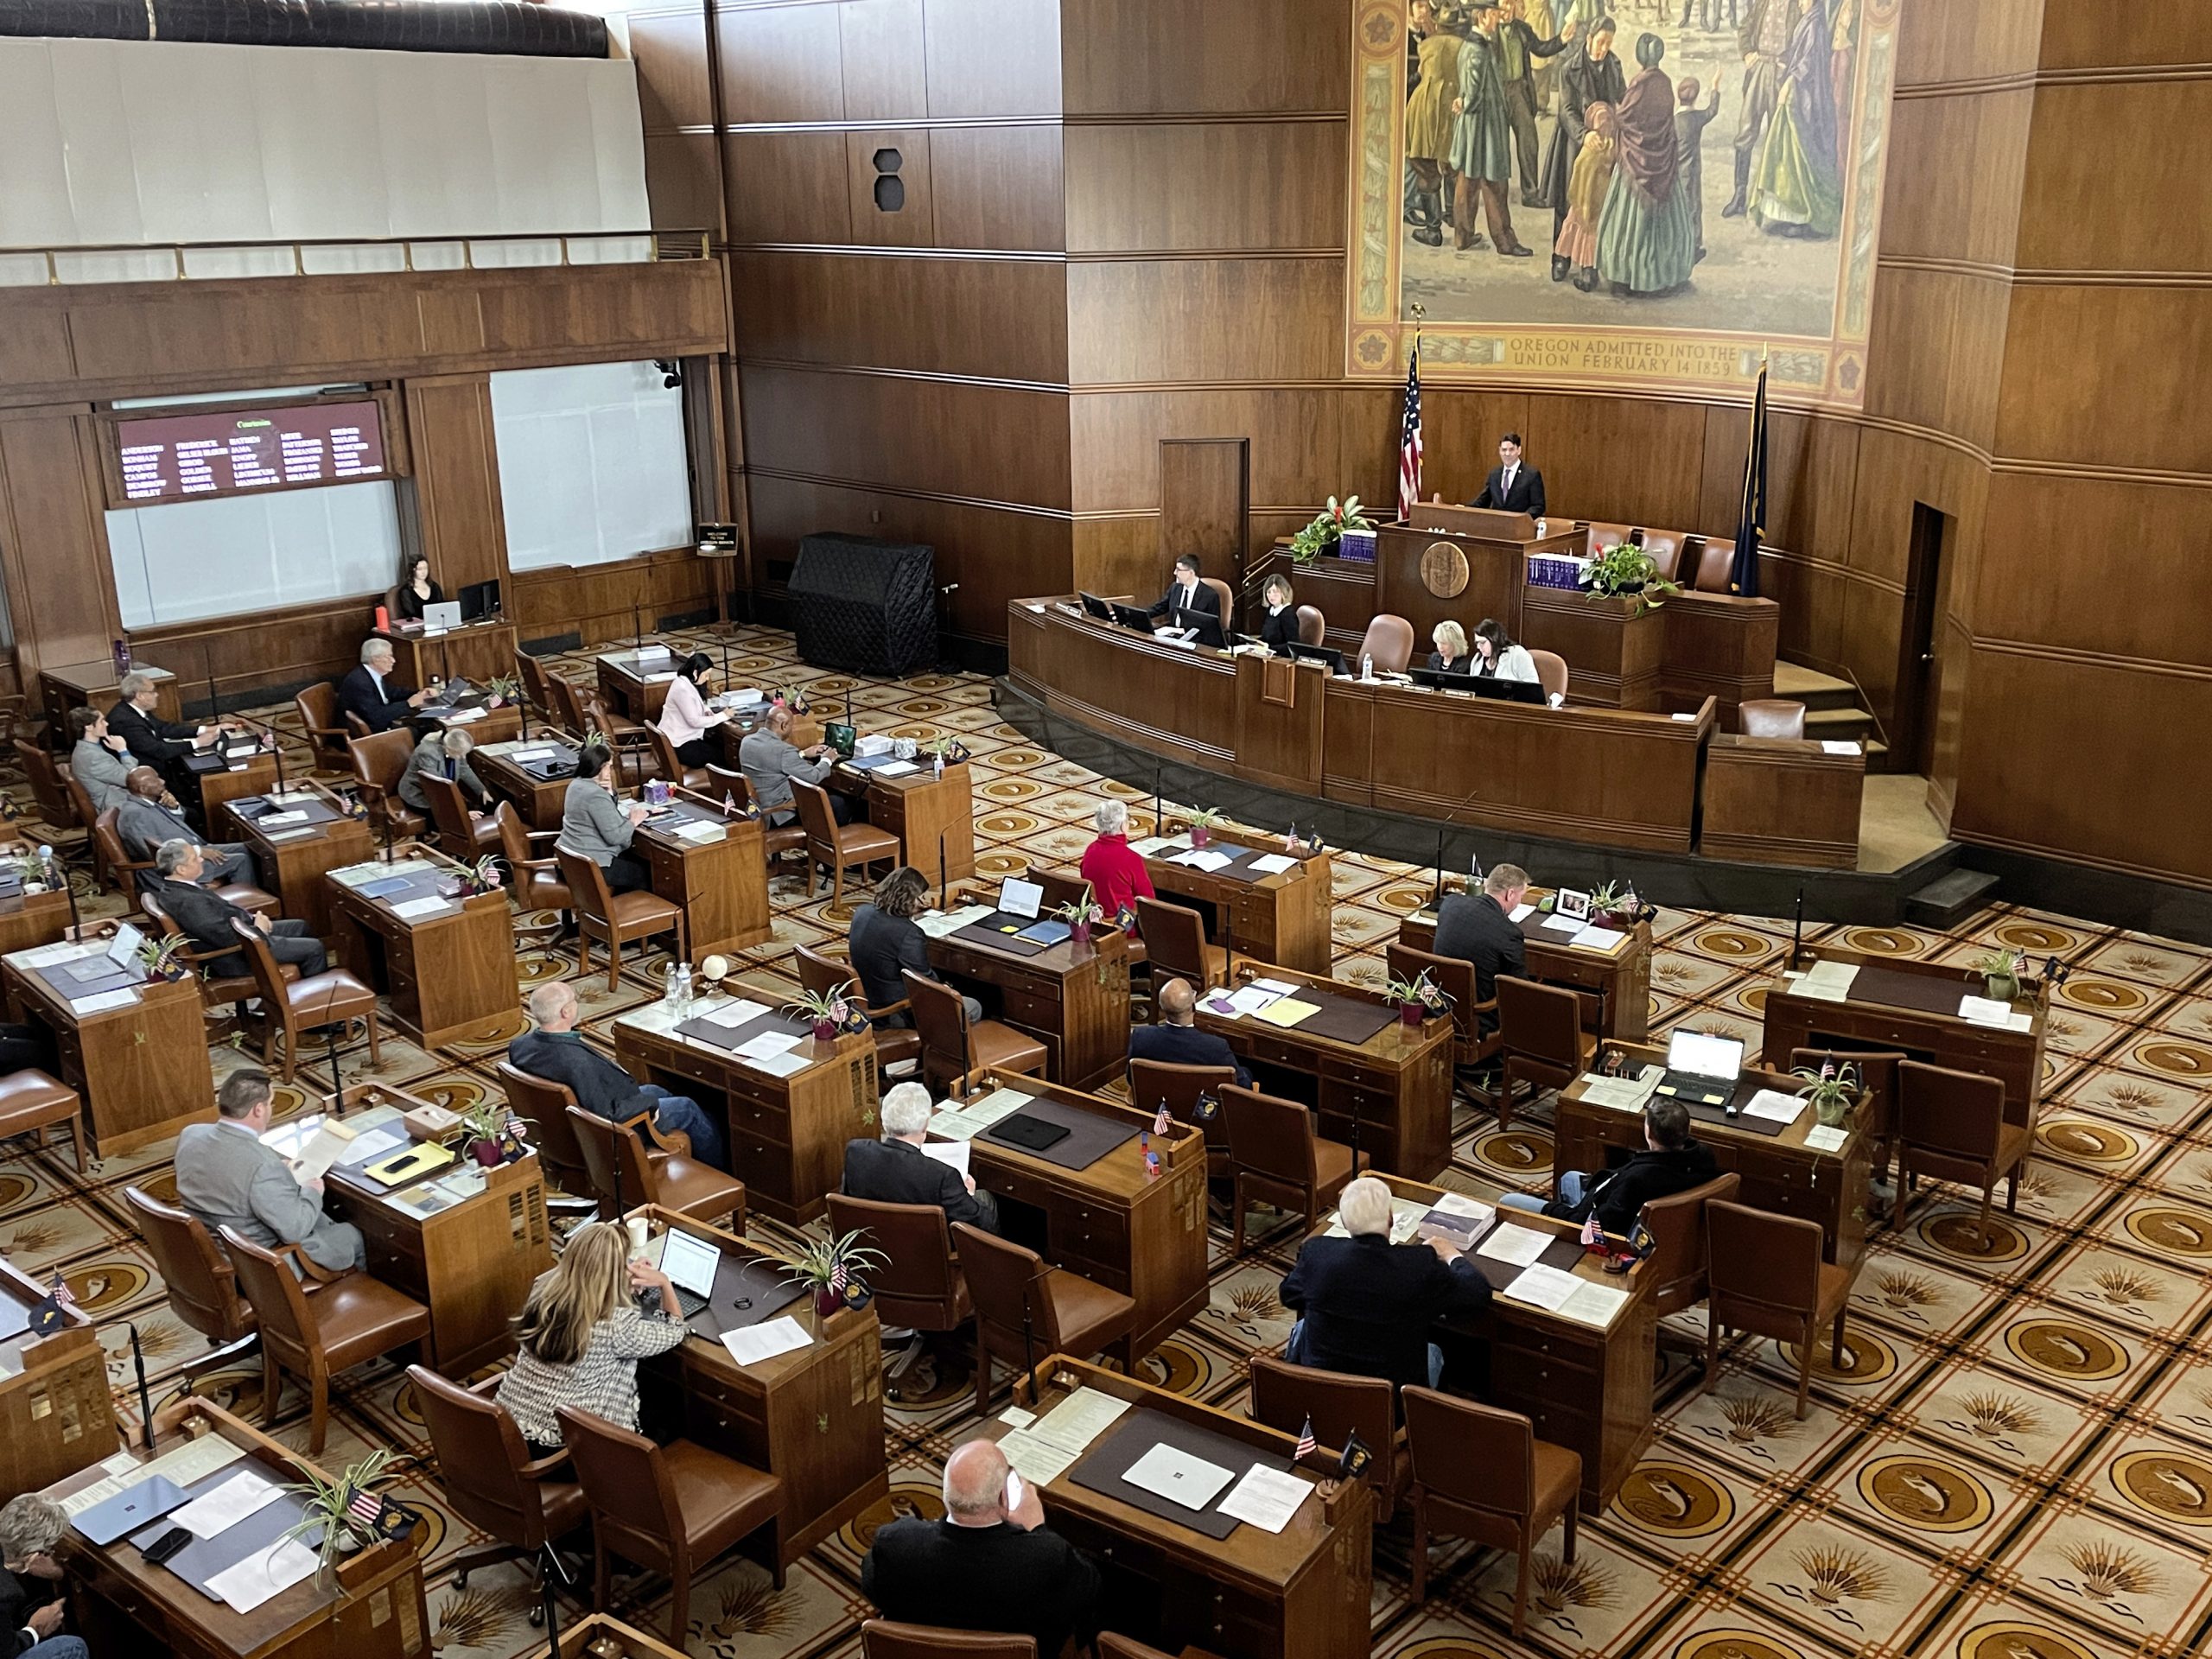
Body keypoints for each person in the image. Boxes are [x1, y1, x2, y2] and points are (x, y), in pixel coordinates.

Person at [861, 1439, 1103, 1656]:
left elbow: (873, 1584)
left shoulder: (895, 1545)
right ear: (1004, 1499)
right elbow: (1089, 1587)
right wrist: (1037, 1528)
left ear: (946, 1497)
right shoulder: (1045, 1558)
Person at [1279, 1175, 1491, 1392]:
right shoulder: (1418, 1265)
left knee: (1304, 1327)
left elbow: (1289, 1294)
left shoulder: (1317, 1253)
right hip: (1392, 1404)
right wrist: (1450, 1254)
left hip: (1321, 1391)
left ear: (1344, 1221)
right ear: (1390, 1218)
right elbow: (1476, 1294)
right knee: (1433, 1352)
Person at [494, 1220, 687, 1458]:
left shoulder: (542, 1293)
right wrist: (664, 1282)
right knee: (672, 1401)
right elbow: (675, 1329)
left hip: (508, 1428)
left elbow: (587, 1291)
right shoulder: (616, 1326)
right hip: (560, 1451)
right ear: (613, 1274)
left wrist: (618, 1285)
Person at [511, 981, 728, 1170]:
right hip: (617, 1129)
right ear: (566, 1012)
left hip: (564, 1121)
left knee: (657, 1089)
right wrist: (649, 1105)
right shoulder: (577, 1064)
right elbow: (606, 1115)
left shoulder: (519, 1046)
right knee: (687, 1108)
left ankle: (710, 1133)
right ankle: (721, 1169)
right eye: (574, 1000)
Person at [175, 1070, 366, 1273]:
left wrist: (277, 1175)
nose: (270, 1110)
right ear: (258, 1109)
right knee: (355, 1235)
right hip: (259, 1265)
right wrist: (312, 1191)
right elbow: (295, 1230)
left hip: (209, 1251)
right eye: (270, 1103)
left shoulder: (191, 1134)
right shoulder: (263, 1166)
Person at [1501, 1097, 1721, 1231]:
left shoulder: (1638, 1180)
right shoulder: (1703, 1156)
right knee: (1570, 1177)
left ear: (1649, 1133)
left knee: (1507, 1201)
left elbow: (1595, 1225)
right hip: (1625, 1205)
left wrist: (1557, 1212)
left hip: (1592, 1224)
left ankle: (1560, 1240)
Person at [1596, 34, 1696, 297]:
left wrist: (1611, 114)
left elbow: (1626, 117)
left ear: (1641, 56)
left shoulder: (1639, 83)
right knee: (1665, 223)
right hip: (1662, 161)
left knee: (1628, 222)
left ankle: (1628, 275)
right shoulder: (1665, 82)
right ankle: (1663, 275)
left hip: (1635, 161)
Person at [155, 839, 327, 978]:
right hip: (237, 955)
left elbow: (221, 917)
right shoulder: (189, 902)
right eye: (195, 858)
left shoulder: (174, 888)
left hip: (244, 932)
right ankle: (321, 1020)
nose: (201, 859)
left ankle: (302, 985)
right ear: (181, 869)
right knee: (314, 948)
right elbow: (225, 938)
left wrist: (251, 919)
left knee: (300, 926)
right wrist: (258, 929)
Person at [842, 1081, 999, 1233]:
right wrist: (969, 1194)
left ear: (884, 1121)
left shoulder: (856, 1152)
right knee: (985, 1199)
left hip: (870, 1243)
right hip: (926, 1251)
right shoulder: (943, 1177)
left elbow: (847, 1201)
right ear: (925, 1124)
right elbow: (981, 1223)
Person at [1540, 17, 1626, 280]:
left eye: (1608, 43)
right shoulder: (1569, 68)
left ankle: (1590, 262)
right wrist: (1584, 134)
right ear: (1589, 39)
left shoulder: (1613, 64)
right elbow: (1565, 111)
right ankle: (1561, 257)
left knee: (1597, 203)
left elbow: (1622, 97)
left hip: (1604, 145)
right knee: (1567, 201)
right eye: (1600, 42)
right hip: (1573, 142)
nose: (1603, 48)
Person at [1749, 0, 1842, 237]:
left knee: (1799, 154)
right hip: (1798, 92)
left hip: (1805, 97)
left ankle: (1807, 217)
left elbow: (1808, 63)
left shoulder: (1815, 25)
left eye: (1803, 0)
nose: (1799, 3)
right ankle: (1790, 211)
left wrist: (1789, 84)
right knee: (1788, 155)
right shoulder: (1809, 20)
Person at [1446, 3, 1531, 257]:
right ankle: (1505, 241)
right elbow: (1472, 94)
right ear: (1482, 17)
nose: (1498, 18)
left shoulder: (1476, 45)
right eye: (1494, 15)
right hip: (1484, 127)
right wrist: (1466, 102)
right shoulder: (1478, 50)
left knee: (1469, 181)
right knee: (1494, 184)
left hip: (1476, 127)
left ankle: (1463, 236)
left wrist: (1464, 101)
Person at [848, 866, 981, 1025]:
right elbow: (925, 982)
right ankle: (952, 1047)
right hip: (897, 1012)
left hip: (868, 995)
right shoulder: (909, 933)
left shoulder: (862, 911)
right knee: (974, 1006)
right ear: (908, 899)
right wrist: (947, 989)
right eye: (920, 898)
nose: (922, 904)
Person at [1432, 862, 1530, 1031]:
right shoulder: (1509, 933)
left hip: (1438, 1006)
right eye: (1521, 896)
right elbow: (1518, 988)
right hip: (1479, 1019)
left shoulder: (1450, 904)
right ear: (1510, 894)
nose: (1519, 902)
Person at [1497, 0, 1578, 205]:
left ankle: (1530, 193)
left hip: (1518, 91)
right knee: (1496, 144)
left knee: (1528, 141)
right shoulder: (1488, 33)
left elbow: (1541, 48)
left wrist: (1562, 39)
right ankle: (1496, 193)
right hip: (1495, 94)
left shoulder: (1522, 29)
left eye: (1510, 4)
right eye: (1503, 5)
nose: (1507, 10)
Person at [117, 767, 249, 892]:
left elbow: (174, 826)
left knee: (247, 848)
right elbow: (154, 852)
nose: (162, 781)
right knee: (241, 860)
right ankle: (246, 905)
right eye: (156, 780)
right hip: (180, 865)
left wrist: (173, 808)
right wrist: (198, 852)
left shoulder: (147, 803)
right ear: (143, 788)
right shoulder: (134, 815)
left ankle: (261, 895)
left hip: (192, 850)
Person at [1724, 0, 1797, 218]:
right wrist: (1747, 53)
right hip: (1758, 71)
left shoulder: (1797, 5)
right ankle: (1739, 195)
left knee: (1778, 135)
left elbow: (1802, 41)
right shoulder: (1762, 2)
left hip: (1781, 75)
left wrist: (1788, 66)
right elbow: (1745, 28)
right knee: (1745, 133)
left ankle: (1773, 200)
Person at [1402, 0, 1465, 246]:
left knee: (1425, 167)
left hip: (1425, 109)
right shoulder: (1463, 46)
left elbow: (1422, 74)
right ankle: (1452, 215)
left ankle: (1433, 230)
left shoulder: (1427, 45)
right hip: (1451, 111)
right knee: (1451, 164)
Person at [557, 743, 652, 895]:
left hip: (570, 861)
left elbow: (604, 814)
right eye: (609, 766)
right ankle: (622, 915)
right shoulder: (595, 794)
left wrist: (608, 792)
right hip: (591, 865)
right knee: (645, 874)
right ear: (602, 767)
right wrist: (633, 821)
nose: (610, 771)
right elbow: (616, 837)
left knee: (632, 860)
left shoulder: (575, 784)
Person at [1128, 977, 1250, 1088]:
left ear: (1161, 1006)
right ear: (1194, 1003)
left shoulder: (1140, 1036)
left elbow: (1131, 1078)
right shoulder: (1216, 1047)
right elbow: (1242, 1086)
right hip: (1202, 1109)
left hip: (1157, 1103)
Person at [738, 704, 850, 825]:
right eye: (792, 726)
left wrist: (802, 753)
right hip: (779, 815)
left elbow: (771, 761)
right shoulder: (784, 751)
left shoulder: (747, 741)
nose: (791, 730)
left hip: (757, 810)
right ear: (784, 725)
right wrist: (827, 760)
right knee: (838, 803)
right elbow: (814, 776)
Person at [0, 1493, 79, 1659]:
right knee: (72, 1647)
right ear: (33, 1556)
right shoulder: (5, 1595)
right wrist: (35, 1629)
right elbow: (5, 1652)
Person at [107, 671, 222, 781]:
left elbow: (163, 728)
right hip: (151, 776)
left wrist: (204, 729)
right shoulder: (126, 721)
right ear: (140, 696)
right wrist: (198, 743)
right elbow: (158, 751)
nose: (156, 694)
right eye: (152, 691)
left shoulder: (133, 709)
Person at [1554, 99, 1619, 290]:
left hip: (1584, 203)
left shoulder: (1591, 151)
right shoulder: (1614, 146)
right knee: (1593, 234)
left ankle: (1583, 271)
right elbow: (1566, 109)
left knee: (1581, 231)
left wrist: (1576, 197)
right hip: (1600, 204)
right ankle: (1570, 265)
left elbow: (1577, 177)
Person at [1078, 798, 1154, 924]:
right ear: (1123, 825)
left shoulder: (1090, 851)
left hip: (1096, 923)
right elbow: (1149, 901)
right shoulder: (1131, 858)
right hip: (1123, 926)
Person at [1674, 77, 1724, 263]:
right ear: (1695, 98)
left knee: (1679, 209)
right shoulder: (1696, 118)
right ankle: (1694, 247)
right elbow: (1712, 110)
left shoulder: (1674, 121)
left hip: (1677, 173)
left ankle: (1679, 245)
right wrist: (1715, 87)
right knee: (1694, 207)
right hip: (1693, 172)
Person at [338, 639, 431, 734]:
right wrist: (408, 704)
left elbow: (393, 693)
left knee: (424, 725)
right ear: (375, 658)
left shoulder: (370, 675)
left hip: (379, 725)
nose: (393, 661)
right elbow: (376, 717)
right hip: (373, 735)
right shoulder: (360, 683)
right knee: (423, 731)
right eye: (389, 656)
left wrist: (419, 693)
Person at [655, 652, 730, 768]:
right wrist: (723, 716)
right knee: (723, 757)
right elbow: (694, 721)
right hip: (679, 745)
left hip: (682, 739)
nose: (707, 679)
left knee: (720, 746)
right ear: (695, 672)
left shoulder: (683, 682)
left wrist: (705, 709)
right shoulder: (682, 689)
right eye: (706, 675)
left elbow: (693, 702)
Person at [397, 726, 486, 817]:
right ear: (449, 748)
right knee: (455, 818)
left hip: (443, 793)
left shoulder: (456, 750)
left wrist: (482, 790)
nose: (463, 757)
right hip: (419, 796)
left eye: (465, 754)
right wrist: (463, 814)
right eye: (460, 754)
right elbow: (437, 787)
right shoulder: (427, 753)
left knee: (477, 808)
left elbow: (464, 769)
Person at [66, 707, 134, 815]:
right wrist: (123, 750)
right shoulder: (94, 758)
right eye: (101, 721)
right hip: (115, 805)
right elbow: (131, 779)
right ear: (89, 727)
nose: (106, 724)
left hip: (112, 796)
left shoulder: (82, 748)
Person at [1146, 553, 1223, 637]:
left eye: (1179, 570)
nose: (1175, 573)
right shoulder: (1175, 588)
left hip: (1196, 641)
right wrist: (1140, 616)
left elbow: (1212, 628)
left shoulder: (1210, 596)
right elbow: (1159, 608)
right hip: (1172, 637)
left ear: (1191, 573)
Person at [1472, 433, 1547, 517]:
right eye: (1504, 450)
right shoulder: (1494, 475)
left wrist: (1520, 520)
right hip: (1497, 525)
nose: (1507, 454)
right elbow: (1483, 501)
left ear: (1519, 450)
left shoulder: (1532, 475)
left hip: (1520, 527)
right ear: (1499, 451)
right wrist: (1464, 509)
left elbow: (1538, 506)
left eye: (1511, 450)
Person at [1471, 618, 1541, 683]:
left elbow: (1532, 684)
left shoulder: (1517, 653)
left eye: (1482, 643)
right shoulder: (1477, 659)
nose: (1478, 647)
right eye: (1477, 643)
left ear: (1494, 639)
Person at [1256, 574, 1300, 653]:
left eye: (1275, 591)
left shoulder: (1288, 615)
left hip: (1281, 658)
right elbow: (1266, 638)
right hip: (1268, 654)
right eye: (1268, 592)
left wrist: (1269, 647)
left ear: (1284, 592)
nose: (1271, 595)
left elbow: (1293, 646)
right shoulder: (1270, 610)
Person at [392, 555, 443, 622]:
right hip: (417, 626)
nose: (423, 572)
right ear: (413, 570)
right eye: (420, 569)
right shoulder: (406, 591)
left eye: (425, 568)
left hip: (438, 622)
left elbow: (442, 607)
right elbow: (411, 615)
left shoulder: (435, 586)